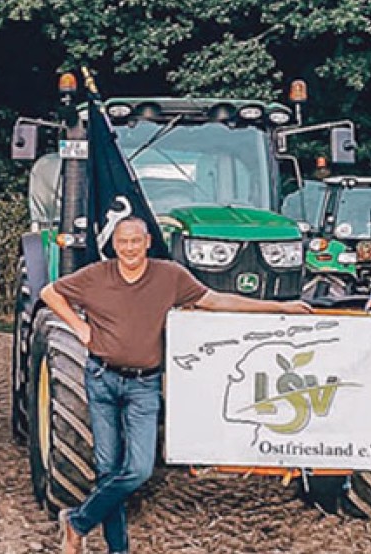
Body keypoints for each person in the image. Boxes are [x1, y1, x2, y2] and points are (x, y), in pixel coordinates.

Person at [41, 217, 311, 554]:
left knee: (138, 470)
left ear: (147, 243)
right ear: (114, 245)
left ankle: (77, 522)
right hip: (102, 379)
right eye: (122, 243)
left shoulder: (169, 276)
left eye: (135, 242)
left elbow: (215, 300)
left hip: (144, 384)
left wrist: (279, 307)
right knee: (107, 470)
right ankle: (117, 548)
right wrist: (79, 329)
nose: (128, 249)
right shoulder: (96, 276)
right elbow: (50, 292)